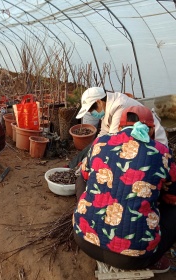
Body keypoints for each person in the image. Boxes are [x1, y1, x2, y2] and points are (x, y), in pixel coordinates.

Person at [73, 105, 176, 273]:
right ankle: (153, 258)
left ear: (120, 127)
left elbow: (85, 175)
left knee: (82, 177)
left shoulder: (100, 143)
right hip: (133, 257)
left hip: (84, 239)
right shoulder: (162, 153)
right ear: (151, 129)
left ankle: (88, 215)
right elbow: (172, 197)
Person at [68, 87, 168, 168]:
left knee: (107, 157)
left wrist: (89, 161)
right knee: (94, 145)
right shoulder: (106, 105)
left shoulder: (120, 105)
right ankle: (72, 166)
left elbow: (112, 140)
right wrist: (89, 153)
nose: (91, 113)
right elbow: (103, 134)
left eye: (91, 110)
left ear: (99, 102)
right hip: (133, 141)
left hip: (151, 143)